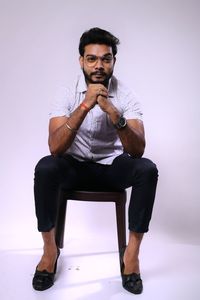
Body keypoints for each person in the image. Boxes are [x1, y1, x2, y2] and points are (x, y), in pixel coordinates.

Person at [32, 27, 158, 294]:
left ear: (114, 61)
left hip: (112, 168)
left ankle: (131, 257)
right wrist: (85, 106)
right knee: (45, 167)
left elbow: (138, 151)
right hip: (73, 166)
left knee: (147, 170)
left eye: (106, 58)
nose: (99, 65)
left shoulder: (126, 95)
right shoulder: (66, 92)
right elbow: (55, 147)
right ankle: (49, 250)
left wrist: (115, 114)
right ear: (81, 61)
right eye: (92, 58)